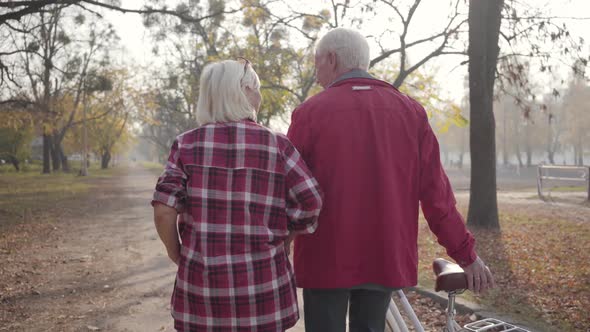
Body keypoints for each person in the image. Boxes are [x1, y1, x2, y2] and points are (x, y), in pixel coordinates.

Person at [287, 28, 495, 332]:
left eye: (317, 64)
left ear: (332, 59)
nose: (317, 75)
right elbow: (437, 196)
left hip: (325, 256)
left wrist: (277, 242)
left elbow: (289, 190)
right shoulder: (411, 112)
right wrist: (466, 255)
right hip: (384, 254)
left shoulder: (309, 114)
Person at [151, 59, 323, 332]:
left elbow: (163, 209)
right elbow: (310, 200)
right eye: (256, 88)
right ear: (243, 90)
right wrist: (285, 238)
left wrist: (178, 254)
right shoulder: (277, 145)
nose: (259, 95)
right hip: (264, 294)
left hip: (202, 294)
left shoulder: (187, 144)